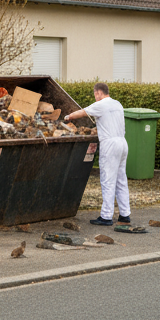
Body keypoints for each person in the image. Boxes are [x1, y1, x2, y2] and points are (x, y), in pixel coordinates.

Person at [65, 83, 130, 226]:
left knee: (107, 180)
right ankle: (125, 215)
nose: (95, 97)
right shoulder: (117, 104)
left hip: (110, 144)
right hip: (122, 143)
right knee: (121, 179)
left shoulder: (101, 105)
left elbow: (82, 113)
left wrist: (67, 117)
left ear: (99, 93)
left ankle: (106, 216)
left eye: (95, 95)